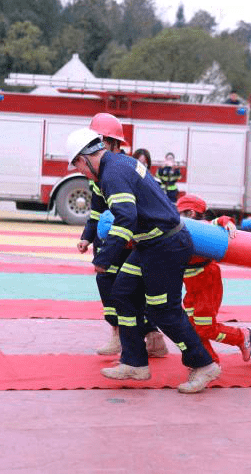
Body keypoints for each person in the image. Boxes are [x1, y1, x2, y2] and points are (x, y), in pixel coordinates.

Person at [66, 127, 220, 394]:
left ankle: (204, 364)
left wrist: (104, 258)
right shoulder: (118, 164)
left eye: (78, 165)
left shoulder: (113, 174)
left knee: (163, 310)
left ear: (85, 157)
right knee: (123, 293)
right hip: (151, 242)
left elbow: (126, 218)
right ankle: (134, 363)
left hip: (166, 244)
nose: (80, 171)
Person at [77, 113, 167, 358]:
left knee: (134, 290)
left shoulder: (120, 168)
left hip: (130, 238)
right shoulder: (98, 171)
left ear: (116, 144)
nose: (98, 146)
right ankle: (117, 336)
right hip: (109, 239)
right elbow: (97, 210)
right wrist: (87, 236)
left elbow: (131, 212)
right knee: (107, 284)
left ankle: (152, 338)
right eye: (96, 140)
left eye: (103, 140)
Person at [177, 194, 251, 364]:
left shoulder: (201, 228)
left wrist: (227, 223)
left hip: (206, 281)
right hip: (191, 284)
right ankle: (209, 363)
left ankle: (240, 336)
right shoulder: (181, 230)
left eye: (179, 213)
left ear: (190, 214)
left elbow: (219, 220)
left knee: (205, 328)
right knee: (192, 328)